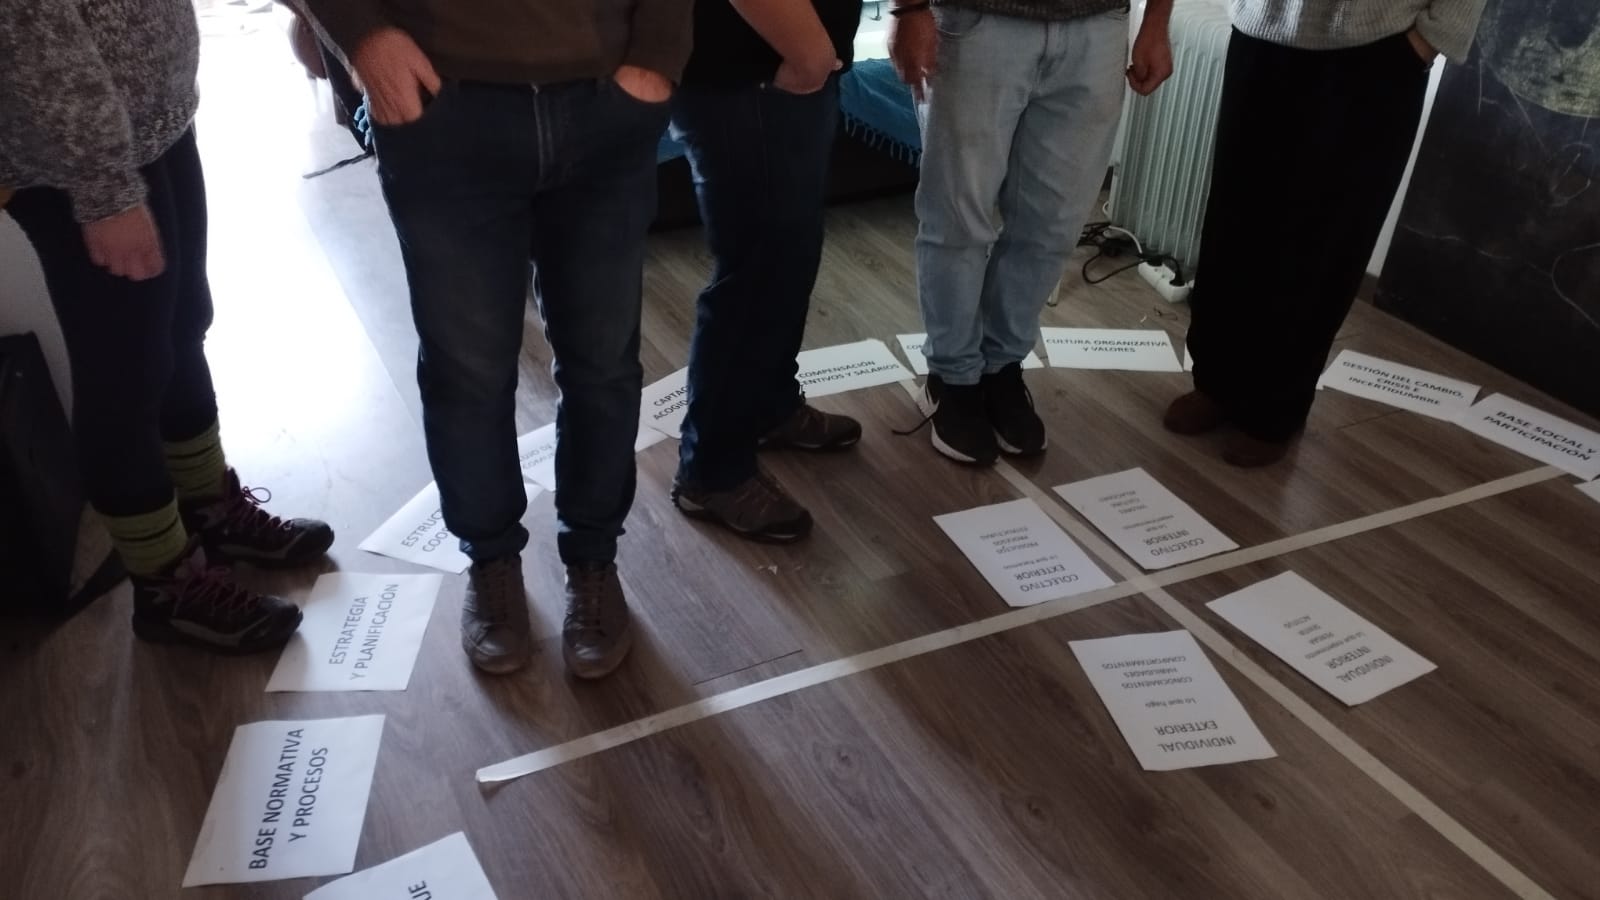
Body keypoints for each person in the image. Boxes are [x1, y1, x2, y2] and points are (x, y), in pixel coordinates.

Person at [303, 0, 692, 676]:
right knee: (466, 371)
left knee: (603, 364)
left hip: (605, 98)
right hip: (443, 102)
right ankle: (490, 562)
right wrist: (364, 40)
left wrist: (659, 53)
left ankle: (594, 559)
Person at [0, 0, 334, 653]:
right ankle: (164, 584)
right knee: (123, 371)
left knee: (183, 325)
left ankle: (208, 508)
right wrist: (105, 190)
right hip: (73, 163)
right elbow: (33, 30)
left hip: (153, 123)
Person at [1165, 0, 1486, 466]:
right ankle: (1215, 383)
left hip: (1377, 47)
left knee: (1326, 237)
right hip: (1263, 30)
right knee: (1236, 220)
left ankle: (1275, 408)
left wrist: (1430, 39)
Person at [891, 0, 1174, 465]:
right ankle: (953, 378)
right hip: (977, 19)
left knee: (1053, 226)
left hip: (1098, 26)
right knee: (959, 218)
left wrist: (1157, 21)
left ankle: (1000, 368)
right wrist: (910, 10)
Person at [668, 0, 866, 544]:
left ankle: (766, 407)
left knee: (787, 258)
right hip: (749, 67)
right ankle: (711, 471)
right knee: (757, 271)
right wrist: (810, 54)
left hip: (782, 60)